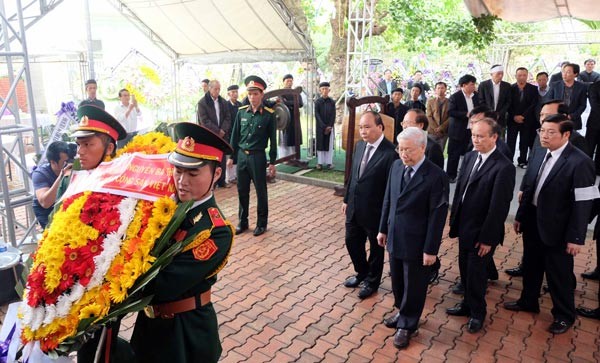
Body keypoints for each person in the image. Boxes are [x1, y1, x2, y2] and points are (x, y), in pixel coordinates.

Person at [130, 122, 234, 363]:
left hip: (184, 335)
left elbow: (162, 285)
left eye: (193, 173)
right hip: (149, 326)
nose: (182, 180)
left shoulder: (216, 231)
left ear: (216, 174)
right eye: (178, 170)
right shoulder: (164, 205)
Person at [504, 113, 596, 334]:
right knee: (532, 265)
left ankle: (564, 315)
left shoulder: (580, 162)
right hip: (534, 220)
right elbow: (529, 188)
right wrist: (520, 216)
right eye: (542, 130)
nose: (544, 135)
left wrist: (576, 237)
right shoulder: (538, 152)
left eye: (550, 132)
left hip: (560, 228)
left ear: (566, 134)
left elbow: (584, 204)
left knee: (559, 274)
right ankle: (528, 301)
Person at [68, 106, 129, 363]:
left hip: (101, 290)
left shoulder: (124, 186)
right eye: (78, 144)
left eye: (87, 144)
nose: (80, 151)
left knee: (98, 351)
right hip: (71, 284)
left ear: (109, 148)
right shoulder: (77, 178)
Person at [378, 127, 448, 349]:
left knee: (415, 285)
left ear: (423, 148)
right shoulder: (397, 166)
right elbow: (388, 200)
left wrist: (431, 249)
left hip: (418, 242)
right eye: (400, 149)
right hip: (395, 235)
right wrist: (383, 229)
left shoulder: (436, 176)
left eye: (409, 150)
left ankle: (408, 325)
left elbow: (437, 216)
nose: (403, 154)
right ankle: (402, 311)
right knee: (397, 279)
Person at [446, 117, 515, 334]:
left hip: (482, 232)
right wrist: (454, 219)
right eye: (473, 135)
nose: (475, 140)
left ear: (494, 137)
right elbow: (460, 191)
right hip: (464, 226)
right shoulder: (469, 157)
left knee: (477, 276)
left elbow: (498, 208)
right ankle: (466, 305)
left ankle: (477, 313)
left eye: (481, 136)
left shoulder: (503, 167)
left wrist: (488, 239)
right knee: (465, 270)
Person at [342, 111, 397, 299]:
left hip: (375, 211)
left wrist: (387, 215)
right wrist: (346, 199)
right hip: (355, 207)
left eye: (367, 127)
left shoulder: (391, 153)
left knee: (375, 249)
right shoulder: (359, 146)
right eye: (360, 127)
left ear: (380, 127)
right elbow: (353, 176)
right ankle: (362, 273)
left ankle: (372, 282)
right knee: (351, 241)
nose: (363, 131)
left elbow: (391, 188)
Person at [228, 76, 277, 237]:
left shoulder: (269, 115)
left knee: (260, 191)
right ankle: (243, 222)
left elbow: (273, 140)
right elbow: (235, 135)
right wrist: (231, 156)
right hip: (242, 156)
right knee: (242, 190)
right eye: (249, 94)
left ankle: (261, 224)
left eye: (255, 94)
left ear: (262, 94)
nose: (252, 97)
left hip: (258, 157)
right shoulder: (241, 112)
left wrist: (272, 162)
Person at [197, 80, 232, 188]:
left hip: (222, 135)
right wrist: (217, 131)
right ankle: (212, 183)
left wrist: (222, 130)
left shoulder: (223, 102)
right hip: (210, 135)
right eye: (215, 89)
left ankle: (222, 181)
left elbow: (228, 117)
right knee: (211, 160)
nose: (217, 91)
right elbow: (204, 121)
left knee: (221, 158)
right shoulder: (202, 103)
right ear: (210, 88)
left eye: (219, 89)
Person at [446, 74, 481, 183]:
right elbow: (450, 112)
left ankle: (465, 173)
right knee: (454, 155)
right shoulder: (455, 97)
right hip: (457, 130)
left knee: (469, 154)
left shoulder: (476, 96)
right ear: (464, 85)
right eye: (471, 84)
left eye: (474, 84)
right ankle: (451, 175)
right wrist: (466, 114)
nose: (474, 86)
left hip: (472, 130)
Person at [32, 141, 71, 229]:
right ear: (53, 162)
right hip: (47, 212)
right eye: (65, 162)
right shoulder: (40, 174)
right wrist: (62, 175)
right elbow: (45, 202)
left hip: (66, 206)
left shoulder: (75, 168)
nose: (70, 163)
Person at [507, 67, 539, 168]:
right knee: (510, 141)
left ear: (527, 76)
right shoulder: (510, 88)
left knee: (524, 141)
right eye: (519, 75)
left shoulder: (533, 89)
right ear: (516, 76)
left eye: (524, 75)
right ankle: (509, 160)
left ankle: (522, 160)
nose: (522, 77)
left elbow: (533, 104)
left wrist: (523, 116)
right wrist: (514, 116)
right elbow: (508, 104)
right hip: (513, 119)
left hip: (527, 120)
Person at [545, 63, 588, 130]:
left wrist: (571, 116)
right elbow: (548, 101)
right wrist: (556, 114)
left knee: (573, 139)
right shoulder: (555, 85)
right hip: (556, 119)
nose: (564, 74)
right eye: (563, 71)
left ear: (575, 74)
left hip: (573, 121)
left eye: (568, 72)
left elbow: (582, 105)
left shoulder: (582, 87)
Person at [478, 65, 511, 134]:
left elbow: (508, 102)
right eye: (498, 73)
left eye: (502, 73)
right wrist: (490, 113)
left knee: (500, 139)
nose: (501, 76)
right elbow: (481, 101)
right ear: (491, 74)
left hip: (500, 118)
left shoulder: (507, 86)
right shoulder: (483, 85)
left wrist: (499, 113)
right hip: (487, 116)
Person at [279, 74, 304, 159]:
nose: (289, 82)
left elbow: (300, 103)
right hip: (284, 119)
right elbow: (282, 103)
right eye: (287, 81)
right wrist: (293, 103)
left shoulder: (295, 92)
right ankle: (285, 157)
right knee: (286, 139)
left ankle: (295, 157)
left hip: (295, 118)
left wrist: (289, 103)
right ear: (284, 82)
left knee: (295, 137)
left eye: (291, 80)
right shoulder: (280, 92)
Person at [314, 81, 336, 170]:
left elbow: (333, 115)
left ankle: (329, 163)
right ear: (320, 90)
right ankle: (319, 163)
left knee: (329, 145)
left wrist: (329, 126)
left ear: (329, 90)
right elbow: (317, 115)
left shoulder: (332, 102)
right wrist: (324, 126)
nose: (325, 90)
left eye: (326, 89)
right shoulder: (317, 102)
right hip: (320, 127)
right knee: (320, 144)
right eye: (323, 89)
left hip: (330, 127)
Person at [426, 81, 449, 151]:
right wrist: (436, 129)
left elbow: (450, 117)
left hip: (444, 132)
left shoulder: (450, 101)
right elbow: (428, 116)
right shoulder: (430, 101)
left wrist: (441, 128)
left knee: (440, 151)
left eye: (442, 88)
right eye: (438, 88)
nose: (440, 90)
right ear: (435, 90)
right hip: (432, 131)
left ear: (445, 89)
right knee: (429, 151)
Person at [226, 84, 242, 184]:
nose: (235, 94)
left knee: (238, 153)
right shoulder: (226, 105)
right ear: (229, 94)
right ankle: (230, 177)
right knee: (230, 153)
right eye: (233, 92)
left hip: (239, 133)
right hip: (229, 133)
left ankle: (236, 175)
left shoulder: (240, 105)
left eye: (236, 92)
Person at [585, 80, 600, 175]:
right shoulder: (594, 86)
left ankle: (598, 171)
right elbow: (594, 105)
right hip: (594, 124)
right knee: (588, 149)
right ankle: (585, 169)